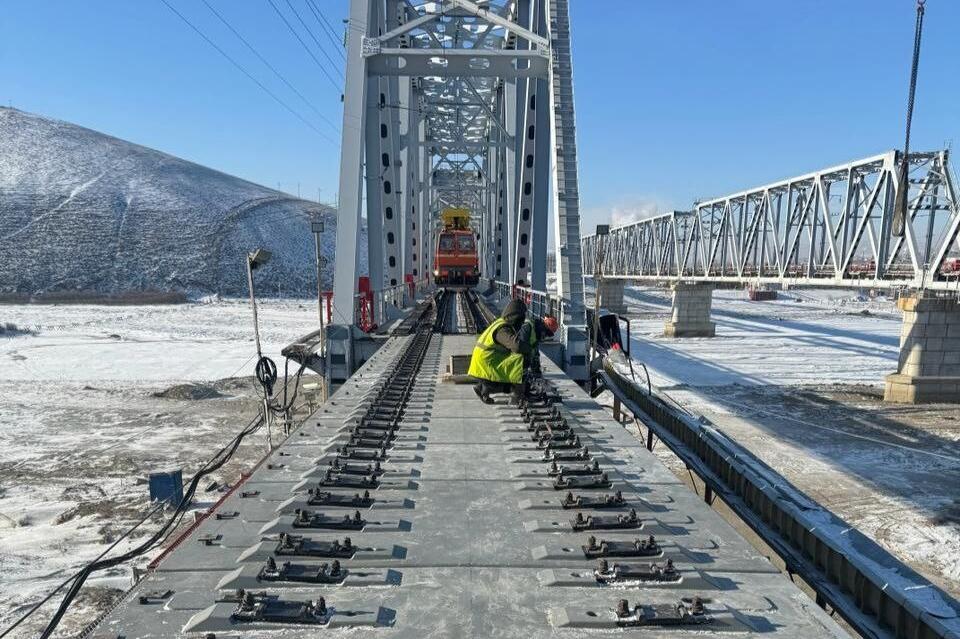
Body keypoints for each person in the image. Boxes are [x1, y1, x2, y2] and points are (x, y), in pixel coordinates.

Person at [468, 299, 557, 403]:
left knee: (512, 375)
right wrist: (529, 352)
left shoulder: (501, 323)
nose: (522, 321)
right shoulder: (503, 329)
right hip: (486, 363)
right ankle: (518, 395)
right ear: (516, 316)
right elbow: (517, 346)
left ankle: (483, 388)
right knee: (521, 359)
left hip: (487, 360)